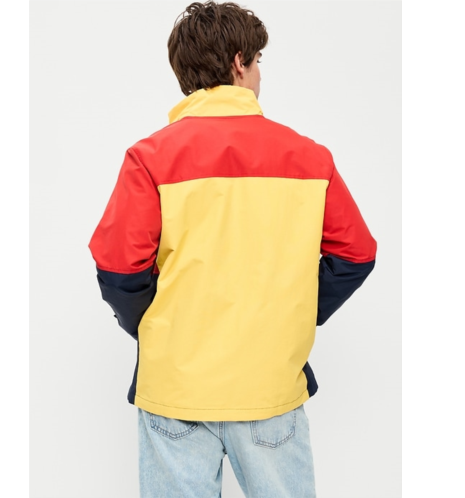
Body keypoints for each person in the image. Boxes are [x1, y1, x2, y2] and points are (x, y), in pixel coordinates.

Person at [88, 1, 377, 497]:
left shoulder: (150, 158)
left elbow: (118, 271)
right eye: (258, 61)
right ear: (239, 63)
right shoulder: (309, 158)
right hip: (269, 385)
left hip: (176, 386)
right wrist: (293, 312)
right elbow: (355, 255)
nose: (260, 73)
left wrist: (159, 325)